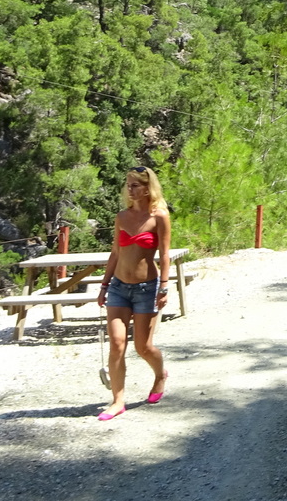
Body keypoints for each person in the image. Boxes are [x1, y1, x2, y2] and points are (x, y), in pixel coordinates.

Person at [95, 166, 171, 420]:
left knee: (143, 347)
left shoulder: (159, 217)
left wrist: (164, 286)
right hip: (118, 288)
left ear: (148, 187)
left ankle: (160, 375)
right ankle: (117, 401)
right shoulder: (121, 217)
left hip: (145, 289)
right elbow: (115, 253)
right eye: (128, 184)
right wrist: (104, 285)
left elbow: (165, 254)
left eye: (136, 185)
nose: (130, 189)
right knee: (117, 344)